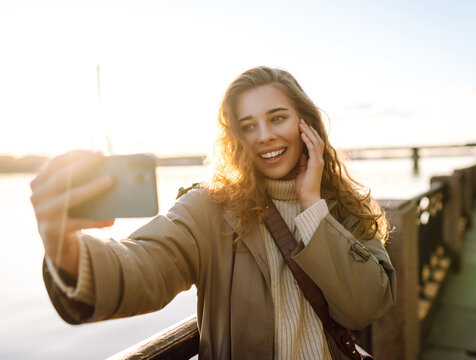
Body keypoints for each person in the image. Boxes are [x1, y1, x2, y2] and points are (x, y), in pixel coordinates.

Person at [31, 66, 396, 359]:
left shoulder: (345, 205)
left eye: (277, 118)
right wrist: (65, 249)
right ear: (234, 137)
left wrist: (312, 207)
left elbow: (366, 307)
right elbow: (146, 264)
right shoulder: (210, 208)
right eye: (248, 126)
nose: (264, 135)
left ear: (306, 123)